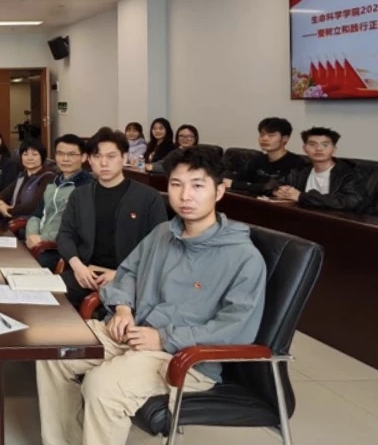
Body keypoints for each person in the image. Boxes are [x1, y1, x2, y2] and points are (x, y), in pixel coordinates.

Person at [36, 146, 267, 445]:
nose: (185, 196)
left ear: (219, 191)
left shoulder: (243, 257)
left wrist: (163, 338)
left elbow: (236, 328)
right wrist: (123, 308)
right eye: (176, 184)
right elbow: (128, 273)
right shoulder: (162, 233)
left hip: (185, 357)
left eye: (197, 186)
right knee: (54, 351)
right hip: (132, 332)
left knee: (103, 386)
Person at [56, 128, 168, 308]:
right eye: (97, 156)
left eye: (111, 156)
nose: (104, 163)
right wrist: (77, 266)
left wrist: (121, 274)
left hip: (129, 279)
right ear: (89, 160)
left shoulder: (148, 197)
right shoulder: (80, 195)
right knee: (46, 298)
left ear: (124, 158)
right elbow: (65, 234)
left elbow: (159, 247)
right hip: (85, 273)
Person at [25, 134, 94, 269]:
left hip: (59, 250)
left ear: (84, 157)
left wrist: (42, 239)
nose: (65, 159)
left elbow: (77, 228)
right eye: (60, 154)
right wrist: (32, 235)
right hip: (39, 244)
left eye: (71, 154)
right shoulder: (53, 181)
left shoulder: (86, 187)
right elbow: (37, 214)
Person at [273, 126, 367, 210]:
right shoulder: (300, 171)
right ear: (304, 149)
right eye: (312, 144)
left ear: (334, 149)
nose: (318, 149)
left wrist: (301, 196)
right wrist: (277, 191)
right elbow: (273, 184)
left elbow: (351, 201)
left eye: (325, 145)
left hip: (335, 220)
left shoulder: (349, 173)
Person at [225, 117, 309, 195]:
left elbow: (282, 191)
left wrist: (248, 186)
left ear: (285, 138)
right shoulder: (257, 160)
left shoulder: (296, 163)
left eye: (271, 135)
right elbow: (231, 182)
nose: (264, 139)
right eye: (262, 134)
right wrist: (263, 188)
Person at [0, 139, 55, 222]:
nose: (29, 158)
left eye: (34, 154)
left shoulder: (48, 177)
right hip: (13, 219)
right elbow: (2, 195)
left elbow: (33, 206)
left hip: (32, 223)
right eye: (25, 154)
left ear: (42, 157)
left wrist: (7, 210)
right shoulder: (23, 175)